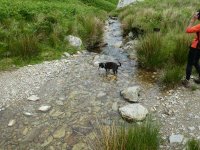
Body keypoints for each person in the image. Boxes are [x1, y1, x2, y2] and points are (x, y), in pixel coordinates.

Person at [182, 11, 200, 88]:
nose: (195, 14)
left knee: (190, 63)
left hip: (195, 47)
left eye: (197, 14)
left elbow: (188, 30)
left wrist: (192, 20)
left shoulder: (199, 26)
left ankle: (187, 81)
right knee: (195, 62)